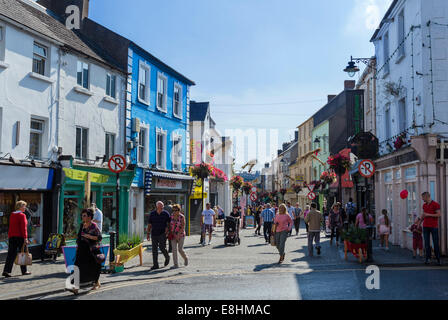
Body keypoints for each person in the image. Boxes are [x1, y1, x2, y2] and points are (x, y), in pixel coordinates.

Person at [70, 208, 102, 293]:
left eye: (84, 215)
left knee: (93, 268)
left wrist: (88, 236)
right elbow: (79, 237)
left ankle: (96, 283)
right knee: (77, 267)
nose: (82, 217)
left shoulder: (94, 226)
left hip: (91, 250)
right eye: (82, 215)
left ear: (89, 217)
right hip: (81, 250)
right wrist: (77, 246)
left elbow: (99, 237)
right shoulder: (82, 225)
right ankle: (76, 288)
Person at [2, 201, 31, 278]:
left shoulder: (12, 214)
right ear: (20, 207)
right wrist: (25, 238)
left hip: (12, 236)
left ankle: (6, 271)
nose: (25, 208)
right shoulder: (22, 215)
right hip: (20, 237)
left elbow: (11, 226)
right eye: (24, 206)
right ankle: (24, 271)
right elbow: (24, 228)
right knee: (23, 253)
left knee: (11, 254)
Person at [147, 201, 170, 271]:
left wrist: (168, 231)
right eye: (160, 206)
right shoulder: (152, 214)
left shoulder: (166, 213)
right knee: (154, 250)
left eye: (162, 206)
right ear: (157, 207)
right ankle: (155, 265)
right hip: (154, 233)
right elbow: (149, 224)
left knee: (162, 247)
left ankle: (167, 257)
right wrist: (148, 233)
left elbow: (169, 223)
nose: (162, 207)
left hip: (162, 233)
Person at [421, 192, 442, 265]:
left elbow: (439, 214)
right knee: (426, 243)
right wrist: (419, 223)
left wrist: (428, 214)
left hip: (433, 227)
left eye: (423, 197)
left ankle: (438, 259)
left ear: (427, 197)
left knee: (435, 243)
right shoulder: (424, 205)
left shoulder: (435, 204)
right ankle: (428, 259)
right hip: (425, 226)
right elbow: (423, 215)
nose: (422, 199)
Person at [168, 204, 188, 269]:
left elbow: (183, 226)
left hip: (181, 235)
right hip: (173, 235)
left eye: (175, 210)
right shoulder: (171, 216)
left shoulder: (182, 217)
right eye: (173, 210)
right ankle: (175, 264)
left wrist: (178, 235)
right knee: (174, 250)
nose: (174, 211)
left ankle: (185, 258)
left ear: (179, 210)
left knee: (180, 249)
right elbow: (170, 225)